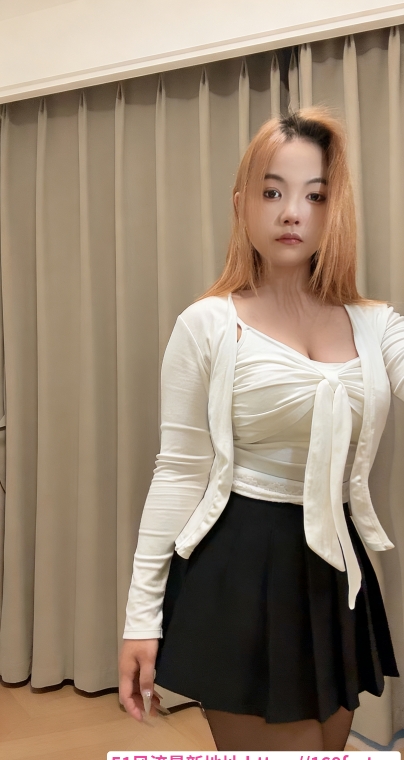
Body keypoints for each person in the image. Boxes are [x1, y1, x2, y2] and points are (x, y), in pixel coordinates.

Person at [118, 106, 402, 751]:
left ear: (335, 211)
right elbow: (179, 471)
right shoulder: (208, 324)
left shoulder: (376, 325)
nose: (292, 212)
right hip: (241, 566)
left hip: (336, 570)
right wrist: (141, 617)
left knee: (327, 746)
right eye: (272, 192)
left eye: (314, 195)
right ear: (241, 204)